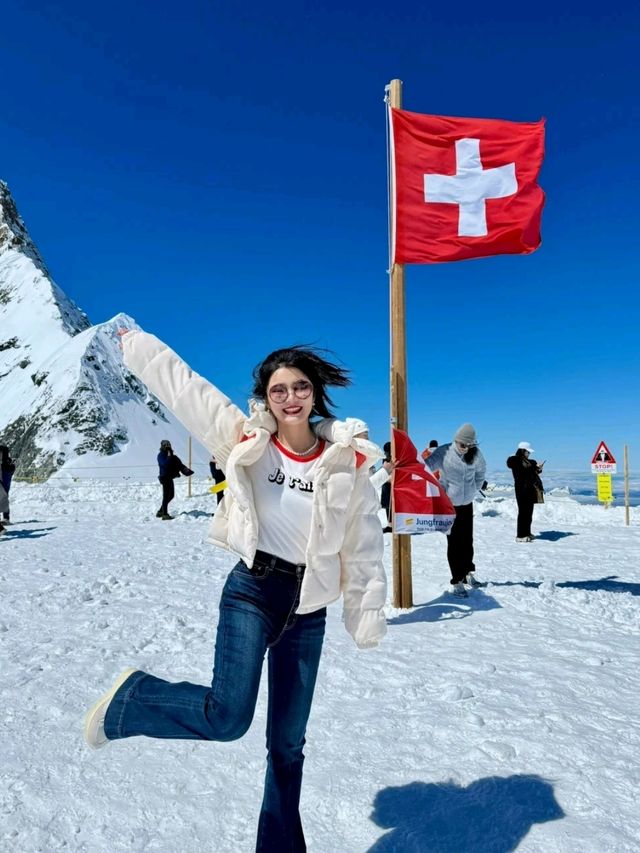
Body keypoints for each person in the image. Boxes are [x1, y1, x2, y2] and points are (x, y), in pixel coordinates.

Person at [84, 330, 387, 853]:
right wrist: (140, 348)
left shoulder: (346, 462)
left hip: (307, 609)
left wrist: (364, 612)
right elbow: (188, 392)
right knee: (227, 718)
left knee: (288, 747)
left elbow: (361, 548)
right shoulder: (248, 440)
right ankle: (132, 700)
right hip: (253, 588)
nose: (290, 398)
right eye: (279, 390)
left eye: (300, 387)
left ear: (315, 393)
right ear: (265, 398)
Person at [424, 423, 486, 597]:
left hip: (467, 503)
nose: (466, 449)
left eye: (470, 446)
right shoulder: (444, 452)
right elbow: (426, 466)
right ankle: (457, 580)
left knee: (468, 540)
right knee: (455, 543)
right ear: (456, 441)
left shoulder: (475, 454)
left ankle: (468, 573)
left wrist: (475, 487)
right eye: (463, 445)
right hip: (450, 505)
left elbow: (481, 471)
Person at [507, 442, 545, 542]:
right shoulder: (516, 461)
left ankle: (527, 532)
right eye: (528, 452)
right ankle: (521, 535)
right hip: (522, 490)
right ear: (523, 451)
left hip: (529, 490)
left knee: (528, 512)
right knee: (523, 513)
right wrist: (534, 466)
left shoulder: (527, 462)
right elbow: (524, 472)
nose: (529, 454)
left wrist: (538, 469)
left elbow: (530, 473)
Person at [156, 439, 193, 520]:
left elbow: (178, 464)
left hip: (169, 477)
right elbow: (165, 464)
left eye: (168, 444)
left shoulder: (172, 456)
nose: (167, 446)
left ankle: (160, 511)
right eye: (166, 445)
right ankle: (164, 514)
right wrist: (169, 456)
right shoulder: (161, 455)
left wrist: (185, 470)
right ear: (162, 446)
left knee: (171, 495)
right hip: (164, 477)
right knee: (166, 496)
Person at [0, 444, 15, 523]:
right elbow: (12, 470)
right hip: (6, 481)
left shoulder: (6, 463)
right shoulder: (8, 462)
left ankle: (6, 518)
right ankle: (6, 518)